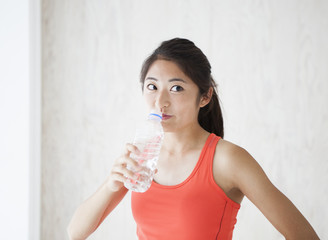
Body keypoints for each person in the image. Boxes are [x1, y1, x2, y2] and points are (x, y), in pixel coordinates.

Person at [67, 38, 319, 240]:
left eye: (176, 88)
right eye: (152, 86)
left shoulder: (227, 160)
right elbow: (75, 232)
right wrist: (111, 185)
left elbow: (304, 236)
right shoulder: (141, 155)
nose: (160, 101)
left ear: (205, 96)